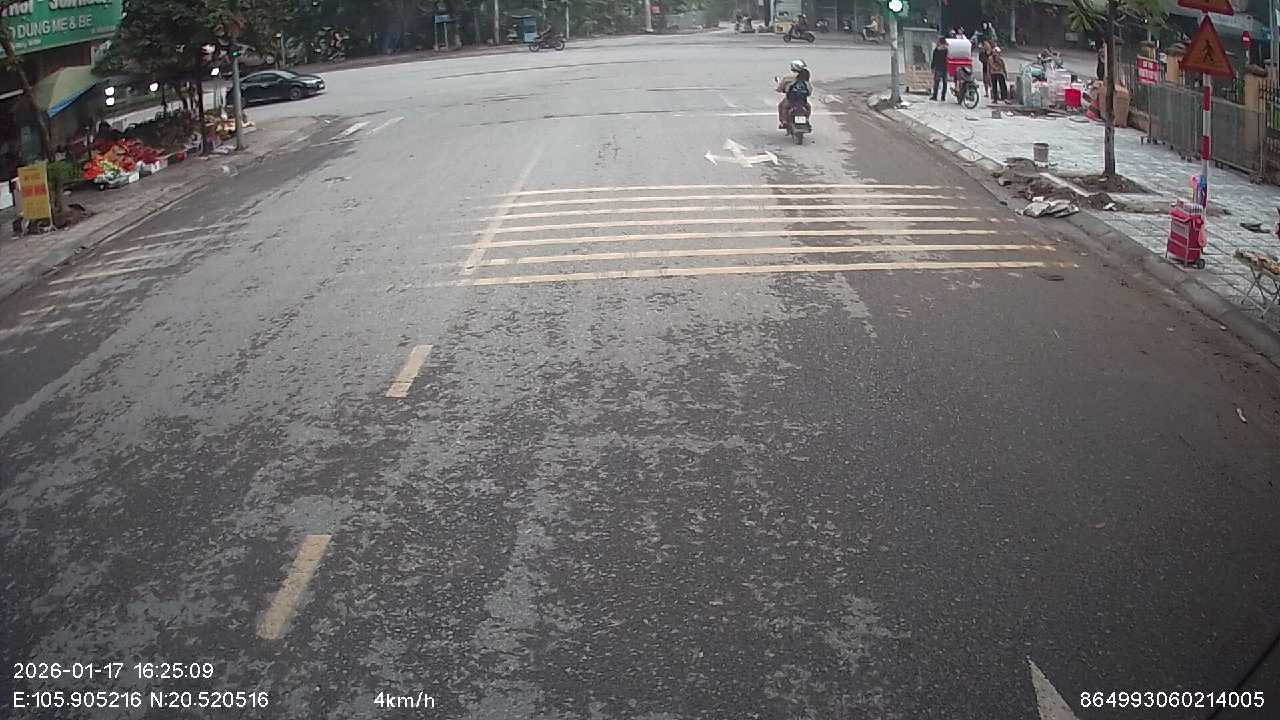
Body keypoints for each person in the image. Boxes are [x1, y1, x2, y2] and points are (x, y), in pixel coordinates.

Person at [776, 59, 811, 128]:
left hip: (791, 99)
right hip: (802, 100)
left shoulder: (788, 76)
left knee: (782, 106)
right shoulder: (805, 75)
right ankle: (807, 119)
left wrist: (779, 89)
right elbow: (808, 87)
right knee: (809, 107)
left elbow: (781, 87)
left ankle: (784, 122)